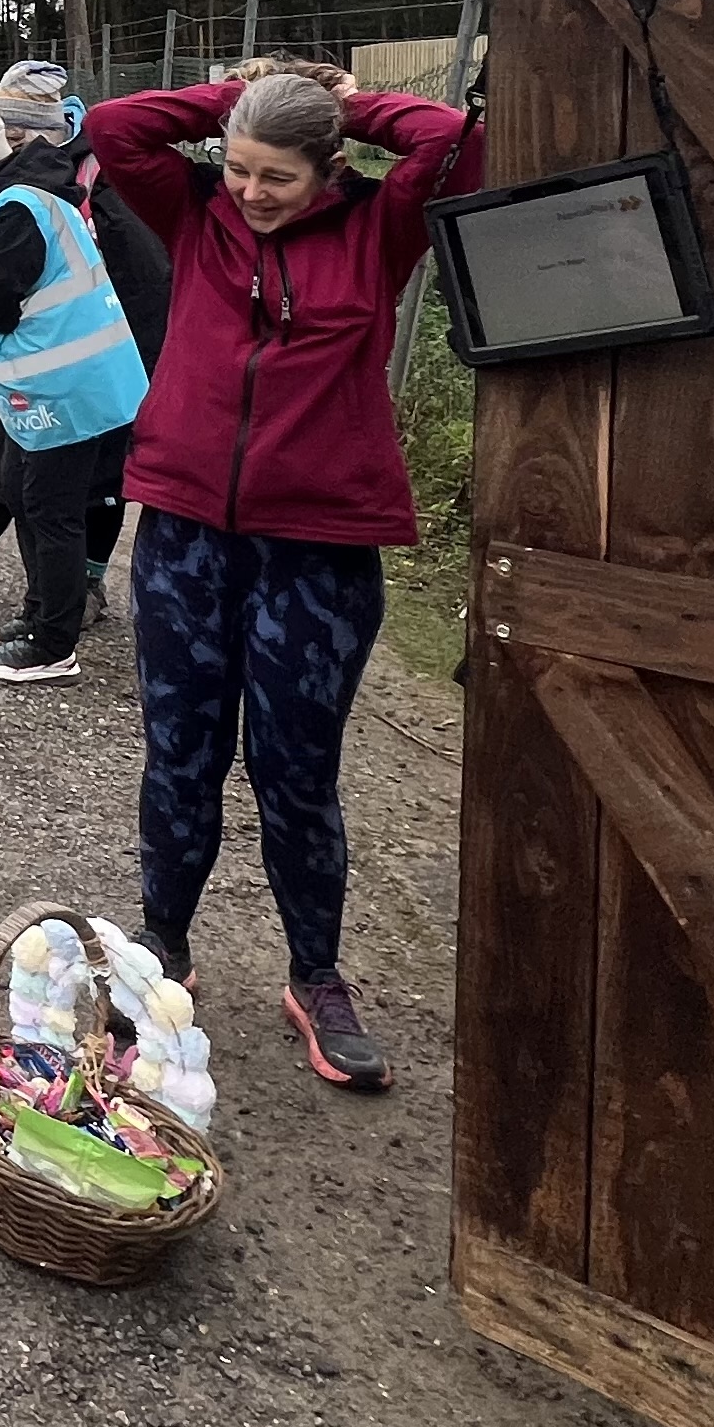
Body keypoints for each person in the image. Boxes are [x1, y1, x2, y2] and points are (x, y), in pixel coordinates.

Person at [82, 58, 480, 1091]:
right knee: (181, 757)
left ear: (332, 169)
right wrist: (232, 97)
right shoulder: (198, 212)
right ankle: (161, 949)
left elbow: (451, 139)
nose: (252, 195)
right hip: (184, 532)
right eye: (242, 170)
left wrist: (348, 101)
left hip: (321, 547)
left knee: (298, 774)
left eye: (279, 178)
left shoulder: (378, 230)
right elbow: (120, 126)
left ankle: (317, 975)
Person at [0, 58, 172, 641]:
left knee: (76, 491)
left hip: (91, 363)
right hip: (37, 358)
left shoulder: (94, 179)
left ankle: (65, 611)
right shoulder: (17, 180)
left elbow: (142, 280)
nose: (7, 143)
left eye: (15, 135)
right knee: (14, 474)